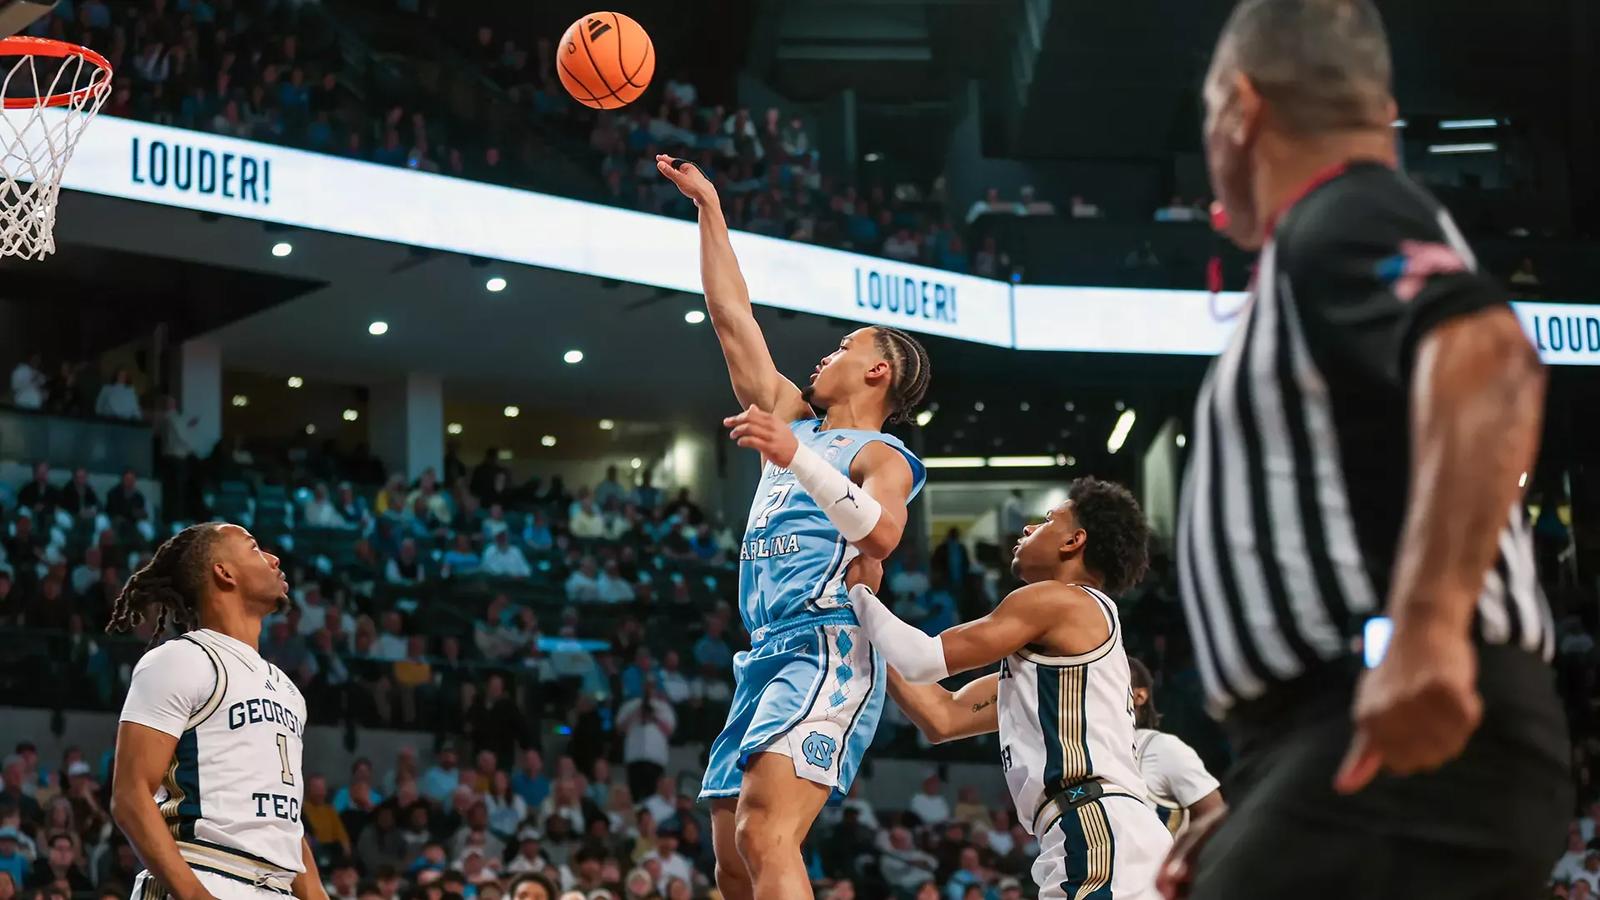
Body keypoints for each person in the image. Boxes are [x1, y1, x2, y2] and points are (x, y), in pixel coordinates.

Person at [1165, 3, 1569, 898]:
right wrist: (1260, 802)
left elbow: (1490, 354)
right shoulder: (1336, 228)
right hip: (1333, 743)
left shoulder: (1346, 208)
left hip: (1392, 732)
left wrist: (1425, 630)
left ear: (1240, 108)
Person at [658, 153, 931, 900]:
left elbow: (882, 535)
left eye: (845, 347)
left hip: (825, 644)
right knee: (731, 861)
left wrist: (796, 459)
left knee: (764, 835)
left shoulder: (882, 454)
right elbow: (731, 318)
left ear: (877, 372)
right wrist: (710, 209)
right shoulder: (792, 418)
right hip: (764, 650)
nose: (827, 353)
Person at [861, 478, 1172, 899]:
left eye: (1047, 521)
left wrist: (858, 594)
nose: (1027, 528)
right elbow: (943, 717)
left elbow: (921, 659)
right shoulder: (1054, 675)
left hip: (1097, 825)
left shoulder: (1059, 600)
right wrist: (864, 631)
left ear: (1074, 541)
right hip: (1106, 829)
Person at [105, 522, 330, 900]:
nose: (274, 559)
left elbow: (282, 822)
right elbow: (130, 796)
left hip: (276, 884)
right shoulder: (180, 659)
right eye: (255, 548)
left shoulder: (288, 689)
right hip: (205, 869)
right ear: (224, 572)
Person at [1127, 658, 1222, 835]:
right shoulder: (1082, 757)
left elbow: (1215, 816)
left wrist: (1181, 852)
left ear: (1139, 696)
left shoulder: (1161, 749)